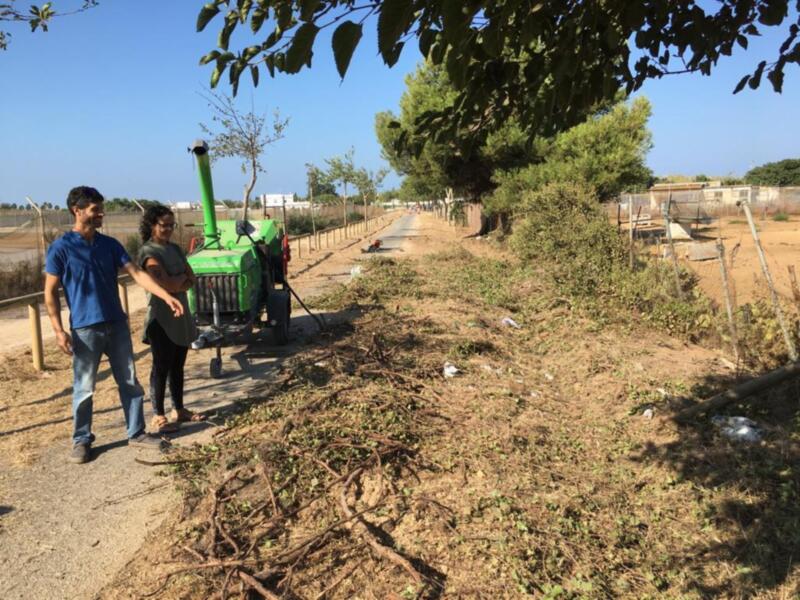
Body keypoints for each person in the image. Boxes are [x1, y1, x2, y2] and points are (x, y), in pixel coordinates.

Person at [43, 186, 185, 464]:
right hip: (85, 330)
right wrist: (58, 330)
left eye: (100, 208)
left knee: (130, 382)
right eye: (95, 209)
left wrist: (167, 295)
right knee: (84, 388)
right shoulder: (61, 248)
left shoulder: (110, 245)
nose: (101, 214)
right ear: (78, 210)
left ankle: (137, 433)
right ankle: (81, 440)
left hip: (117, 325)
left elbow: (136, 273)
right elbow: (49, 291)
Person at [137, 205, 205, 433]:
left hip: (182, 315)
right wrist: (179, 281)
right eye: (163, 225)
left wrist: (178, 281)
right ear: (152, 225)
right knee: (161, 366)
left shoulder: (175, 249)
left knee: (178, 365)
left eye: (171, 225)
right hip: (161, 318)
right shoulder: (149, 252)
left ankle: (179, 409)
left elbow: (191, 277)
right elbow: (164, 283)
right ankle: (158, 415)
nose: (168, 229)